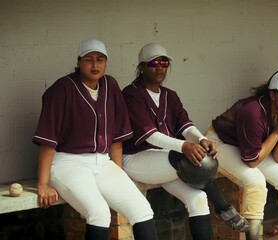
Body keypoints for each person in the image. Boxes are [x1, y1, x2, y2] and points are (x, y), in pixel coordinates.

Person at [33, 39, 158, 240]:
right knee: (99, 213)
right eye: (89, 59)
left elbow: (116, 139)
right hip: (68, 163)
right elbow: (48, 142)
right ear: (79, 61)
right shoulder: (62, 88)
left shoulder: (110, 85)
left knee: (142, 209)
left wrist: (119, 175)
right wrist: (43, 183)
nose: (95, 64)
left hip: (103, 162)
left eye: (100, 59)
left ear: (106, 62)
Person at [121, 43, 249, 240]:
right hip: (137, 159)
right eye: (154, 62)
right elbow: (150, 136)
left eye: (164, 63)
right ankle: (223, 207)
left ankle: (220, 208)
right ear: (142, 67)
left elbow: (185, 126)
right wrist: (184, 146)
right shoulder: (131, 94)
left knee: (198, 198)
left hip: (166, 161)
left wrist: (202, 139)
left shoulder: (169, 96)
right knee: (196, 161)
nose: (160, 67)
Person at [205, 70, 278, 240]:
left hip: (250, 147)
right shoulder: (253, 111)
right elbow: (252, 161)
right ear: (272, 95)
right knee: (255, 181)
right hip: (220, 143)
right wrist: (277, 133)